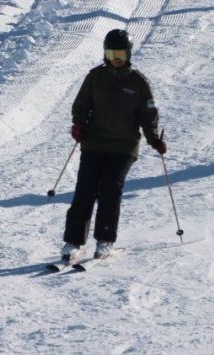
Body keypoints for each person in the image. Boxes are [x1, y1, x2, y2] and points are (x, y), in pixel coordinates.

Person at [60, 29, 165, 263]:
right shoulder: (95, 76)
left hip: (123, 146)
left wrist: (154, 138)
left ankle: (105, 240)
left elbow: (148, 115)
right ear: (105, 54)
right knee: (85, 190)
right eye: (111, 53)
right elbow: (81, 104)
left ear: (128, 54)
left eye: (120, 53)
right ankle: (73, 241)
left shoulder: (138, 82)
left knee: (110, 189)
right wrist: (79, 124)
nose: (116, 58)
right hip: (94, 142)